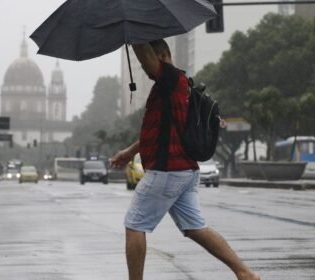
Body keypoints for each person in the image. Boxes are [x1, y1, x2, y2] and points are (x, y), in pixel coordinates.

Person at [110, 40, 260, 280]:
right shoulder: (179, 86)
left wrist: (134, 33)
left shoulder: (169, 78)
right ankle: (246, 274)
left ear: (161, 56)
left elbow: (148, 59)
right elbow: (164, 131)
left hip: (167, 170)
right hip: (184, 170)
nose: (145, 68)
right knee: (195, 227)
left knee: (135, 226)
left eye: (147, 60)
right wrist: (129, 152)